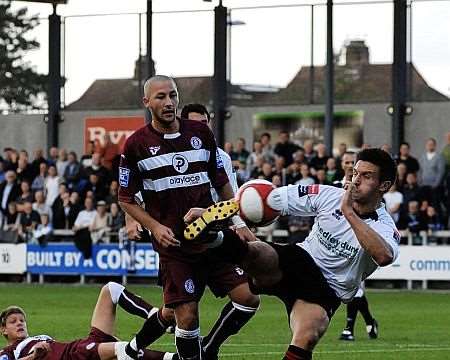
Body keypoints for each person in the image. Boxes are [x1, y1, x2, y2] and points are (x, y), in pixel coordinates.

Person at [184, 148, 400, 360]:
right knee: (259, 252)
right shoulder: (329, 195)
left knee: (308, 334)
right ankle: (212, 236)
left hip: (328, 289)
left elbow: (383, 256)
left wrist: (349, 212)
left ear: (384, 185)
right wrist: (221, 209)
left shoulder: (385, 226)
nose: (355, 181)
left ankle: (217, 240)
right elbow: (270, 198)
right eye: (355, 173)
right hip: (301, 260)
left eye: (366, 176)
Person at [118, 76, 257, 360]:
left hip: (211, 236)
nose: (168, 103)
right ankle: (147, 350)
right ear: (146, 102)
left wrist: (234, 218)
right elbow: (125, 198)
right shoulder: (135, 145)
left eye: (172, 95)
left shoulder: (201, 133)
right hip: (176, 247)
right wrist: (154, 227)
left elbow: (222, 182)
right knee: (187, 315)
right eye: (160, 97)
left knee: (248, 298)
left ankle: (206, 348)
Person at [0, 282, 177, 360]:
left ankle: (157, 317)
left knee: (110, 290)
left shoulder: (37, 338)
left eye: (21, 320)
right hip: (73, 356)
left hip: (81, 347)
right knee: (123, 349)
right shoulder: (9, 351)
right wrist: (33, 356)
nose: (19, 323)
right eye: (13, 321)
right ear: (3, 330)